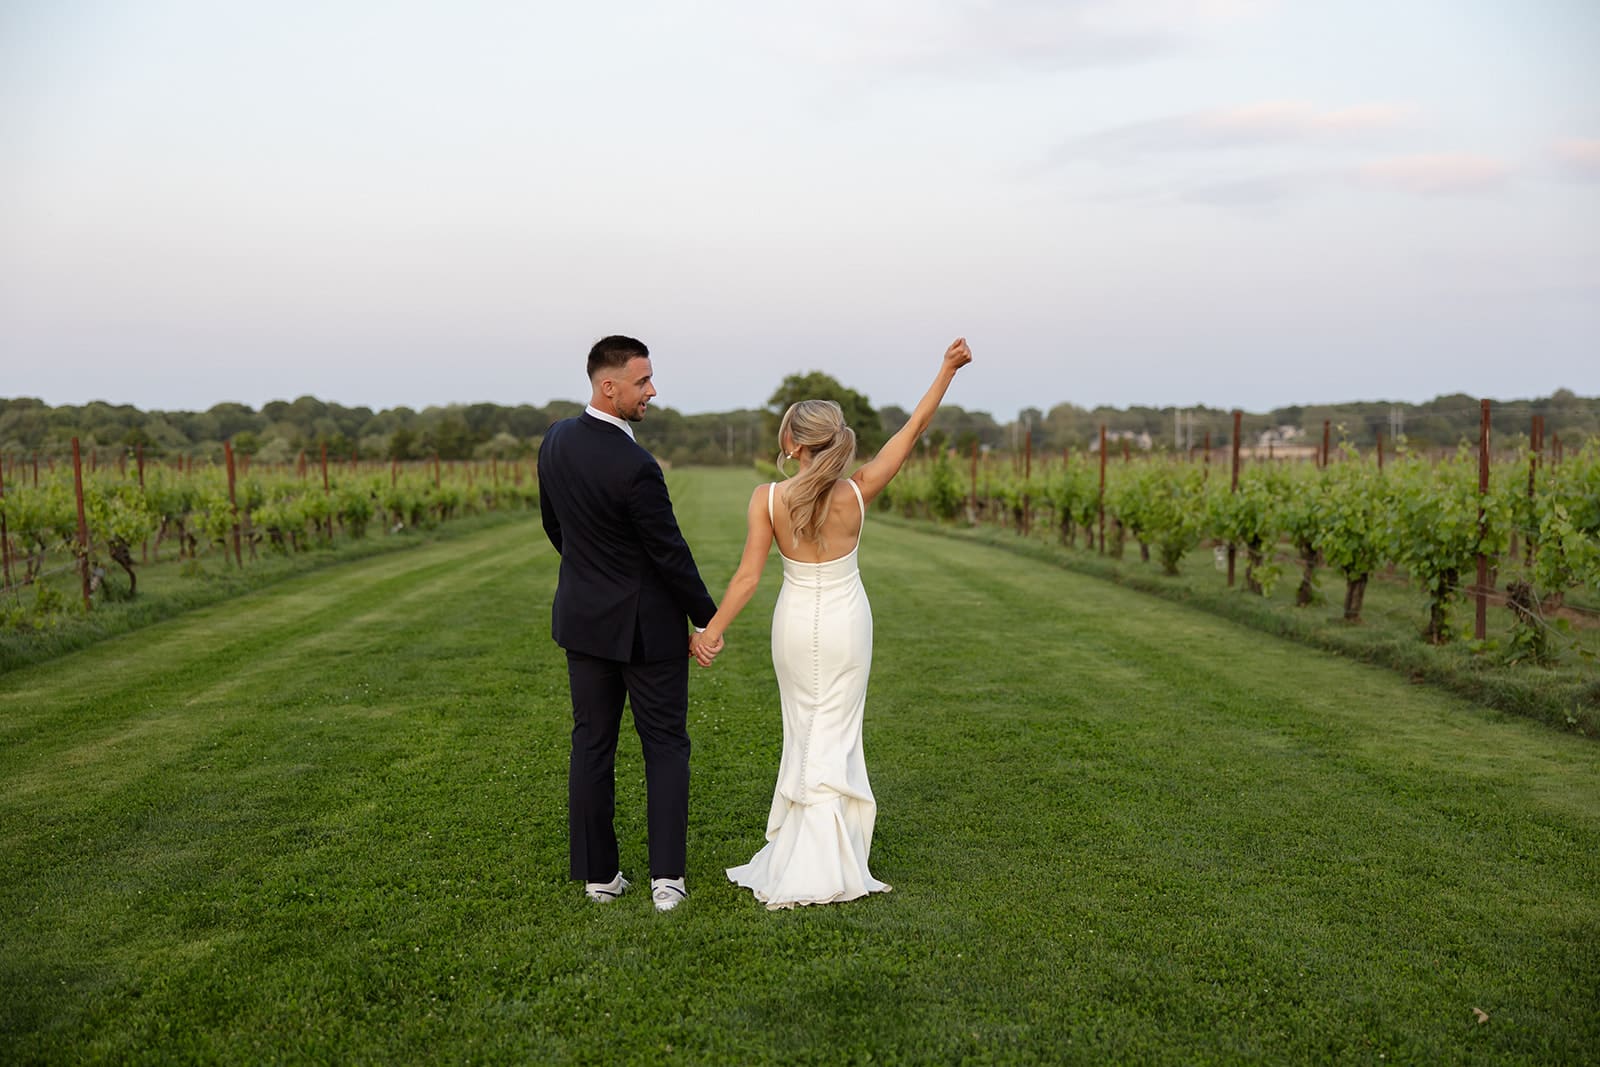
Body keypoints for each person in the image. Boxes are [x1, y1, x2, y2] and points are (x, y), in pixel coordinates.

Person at [700, 337, 974, 909]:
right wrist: (946, 370)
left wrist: (712, 631)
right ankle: (833, 856)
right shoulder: (859, 489)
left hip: (796, 624)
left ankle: (805, 854)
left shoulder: (767, 498)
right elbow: (915, 427)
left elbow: (748, 578)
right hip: (849, 623)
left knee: (804, 732)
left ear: (793, 442)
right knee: (837, 735)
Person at [537, 334, 725, 913]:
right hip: (648, 631)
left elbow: (555, 529)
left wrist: (591, 576)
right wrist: (708, 620)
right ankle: (666, 880)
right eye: (642, 381)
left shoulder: (555, 441)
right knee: (665, 746)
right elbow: (669, 553)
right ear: (607, 385)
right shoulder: (638, 465)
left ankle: (600, 877)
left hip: (583, 621)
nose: (653, 390)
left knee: (591, 746)